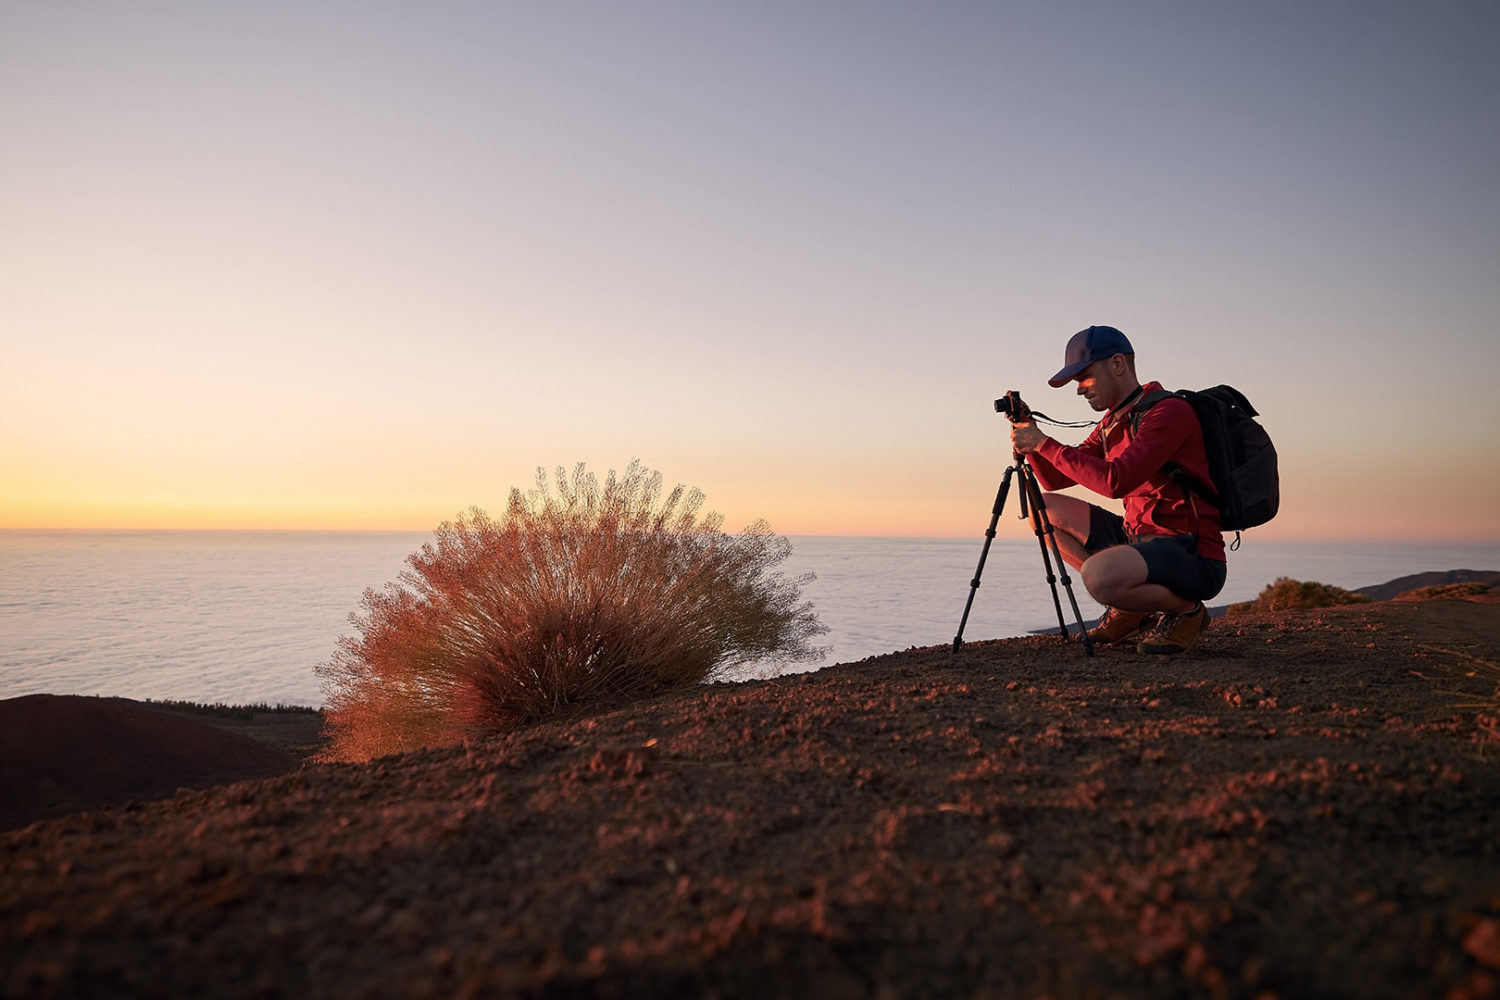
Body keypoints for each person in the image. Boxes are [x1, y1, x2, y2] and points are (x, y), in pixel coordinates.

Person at [1008, 325, 1227, 654]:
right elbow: (1055, 480)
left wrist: (1043, 443)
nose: (1079, 389)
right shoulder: (1111, 424)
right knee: (1044, 511)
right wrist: (1032, 441)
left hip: (1189, 551)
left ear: (1118, 364)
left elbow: (1115, 481)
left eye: (1084, 377)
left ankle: (1187, 612)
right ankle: (1130, 606)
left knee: (1098, 577)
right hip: (1139, 541)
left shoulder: (1168, 412)